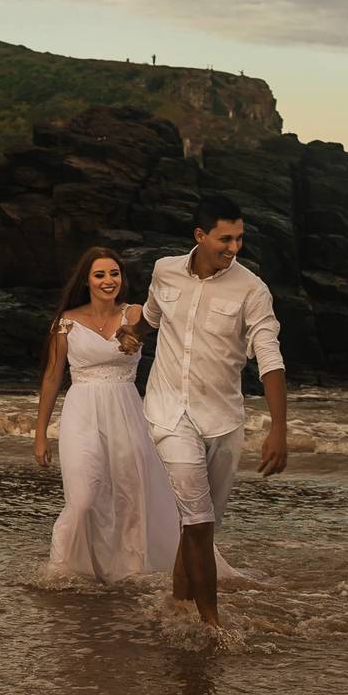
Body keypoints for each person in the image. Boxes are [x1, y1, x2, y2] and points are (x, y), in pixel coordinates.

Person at [117, 199, 289, 627]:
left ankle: (177, 604)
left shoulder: (252, 289)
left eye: (239, 238)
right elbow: (153, 317)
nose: (234, 247)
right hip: (168, 412)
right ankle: (212, 623)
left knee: (200, 524)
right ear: (200, 236)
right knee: (197, 521)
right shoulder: (165, 270)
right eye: (225, 238)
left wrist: (278, 429)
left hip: (224, 420)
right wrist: (131, 335)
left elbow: (269, 357)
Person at [33, 247, 181, 582]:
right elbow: (52, 377)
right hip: (81, 413)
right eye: (100, 274)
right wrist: (40, 434)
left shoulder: (135, 314)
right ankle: (64, 570)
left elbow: (169, 333)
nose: (108, 280)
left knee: (129, 493)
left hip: (127, 412)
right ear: (86, 280)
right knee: (84, 496)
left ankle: (128, 570)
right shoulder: (66, 323)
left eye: (114, 273)